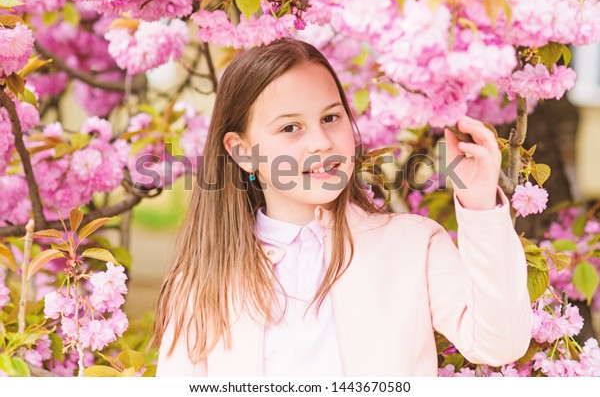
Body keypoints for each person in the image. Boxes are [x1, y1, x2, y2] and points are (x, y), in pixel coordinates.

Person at [150, 37, 533, 377]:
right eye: (290, 128)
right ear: (242, 152)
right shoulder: (204, 280)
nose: (321, 141)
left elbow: (500, 343)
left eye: (331, 118)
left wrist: (480, 205)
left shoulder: (413, 244)